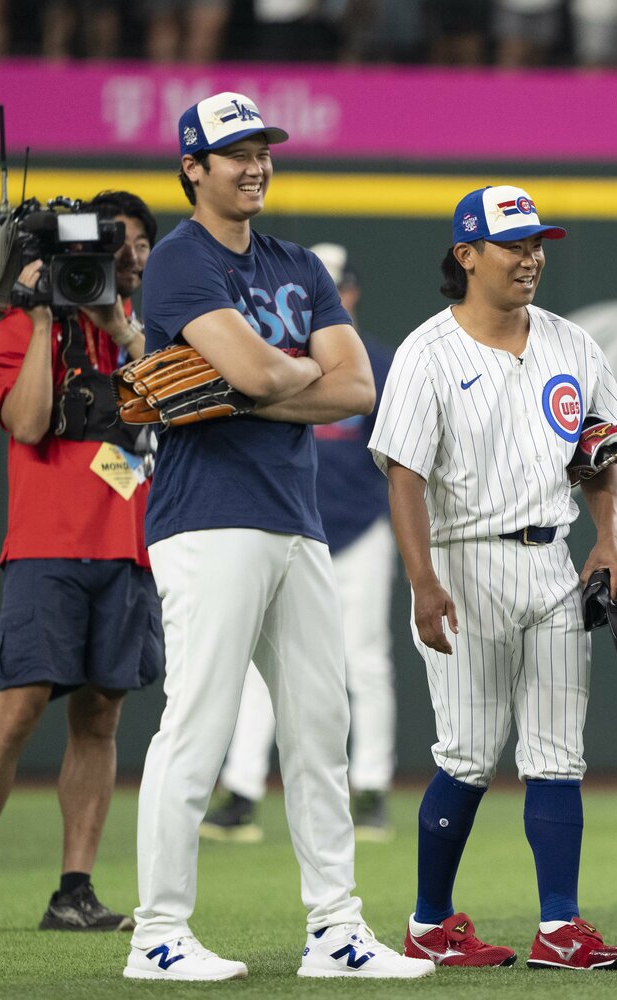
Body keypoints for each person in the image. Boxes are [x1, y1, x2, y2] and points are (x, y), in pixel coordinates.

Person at [121, 91, 434, 982]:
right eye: (236, 152)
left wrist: (246, 387)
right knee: (198, 726)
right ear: (193, 169)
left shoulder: (295, 261)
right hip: (207, 516)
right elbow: (271, 370)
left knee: (319, 727)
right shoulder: (180, 261)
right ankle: (158, 935)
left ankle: (335, 931)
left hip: (295, 517)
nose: (256, 164)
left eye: (263, 149)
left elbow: (357, 388)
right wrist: (278, 375)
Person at [368, 185, 617, 972]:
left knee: (557, 754)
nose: (531, 258)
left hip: (553, 560)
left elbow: (602, 454)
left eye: (537, 244)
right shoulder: (428, 352)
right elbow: (404, 477)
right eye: (513, 245)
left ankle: (560, 928)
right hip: (465, 561)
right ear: (467, 254)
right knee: (468, 752)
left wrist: (609, 538)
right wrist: (422, 581)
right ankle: (429, 923)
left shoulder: (570, 344)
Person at [0, 191, 161, 934]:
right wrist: (45, 319)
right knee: (17, 710)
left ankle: (74, 891)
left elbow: (171, 410)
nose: (126, 256)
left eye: (138, 244)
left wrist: (117, 328)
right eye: (112, 245)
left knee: (100, 718)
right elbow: (27, 423)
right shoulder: (17, 330)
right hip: (46, 546)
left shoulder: (147, 334)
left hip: (127, 547)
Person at [200, 242, 399, 846]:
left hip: (359, 527)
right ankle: (241, 791)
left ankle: (371, 788)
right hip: (287, 521)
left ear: (352, 292)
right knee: (264, 662)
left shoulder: (375, 361)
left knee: (364, 660)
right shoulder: (269, 358)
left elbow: (397, 457)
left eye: (335, 287)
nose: (326, 297)